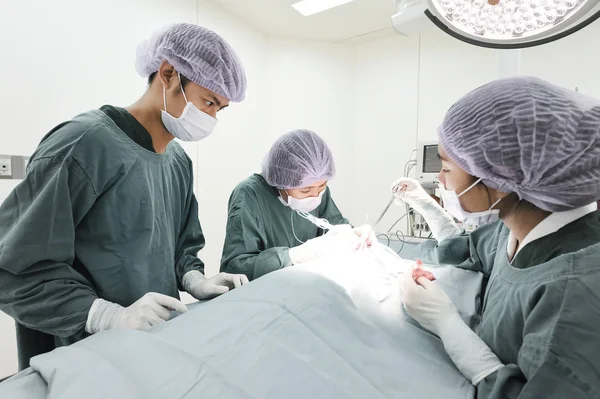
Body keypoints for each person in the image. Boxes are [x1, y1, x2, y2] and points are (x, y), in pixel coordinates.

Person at [0, 23, 250, 371]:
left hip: (150, 349)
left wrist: (195, 280)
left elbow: (179, 247)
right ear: (167, 74)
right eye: (207, 102)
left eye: (219, 109)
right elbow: (13, 268)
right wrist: (105, 315)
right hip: (79, 358)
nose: (210, 118)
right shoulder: (83, 145)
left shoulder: (177, 162)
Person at [398, 76, 600, 398]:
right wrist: (431, 211)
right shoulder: (517, 225)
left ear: (501, 178)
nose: (439, 179)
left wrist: (446, 324)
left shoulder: (577, 289)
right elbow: (471, 251)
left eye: (447, 167)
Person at [220, 129, 374, 280]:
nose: (315, 196)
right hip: (264, 295)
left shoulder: (318, 190)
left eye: (322, 186)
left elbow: (334, 226)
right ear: (281, 182)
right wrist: (296, 256)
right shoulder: (249, 195)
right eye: (306, 190)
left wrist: (354, 234)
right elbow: (236, 268)